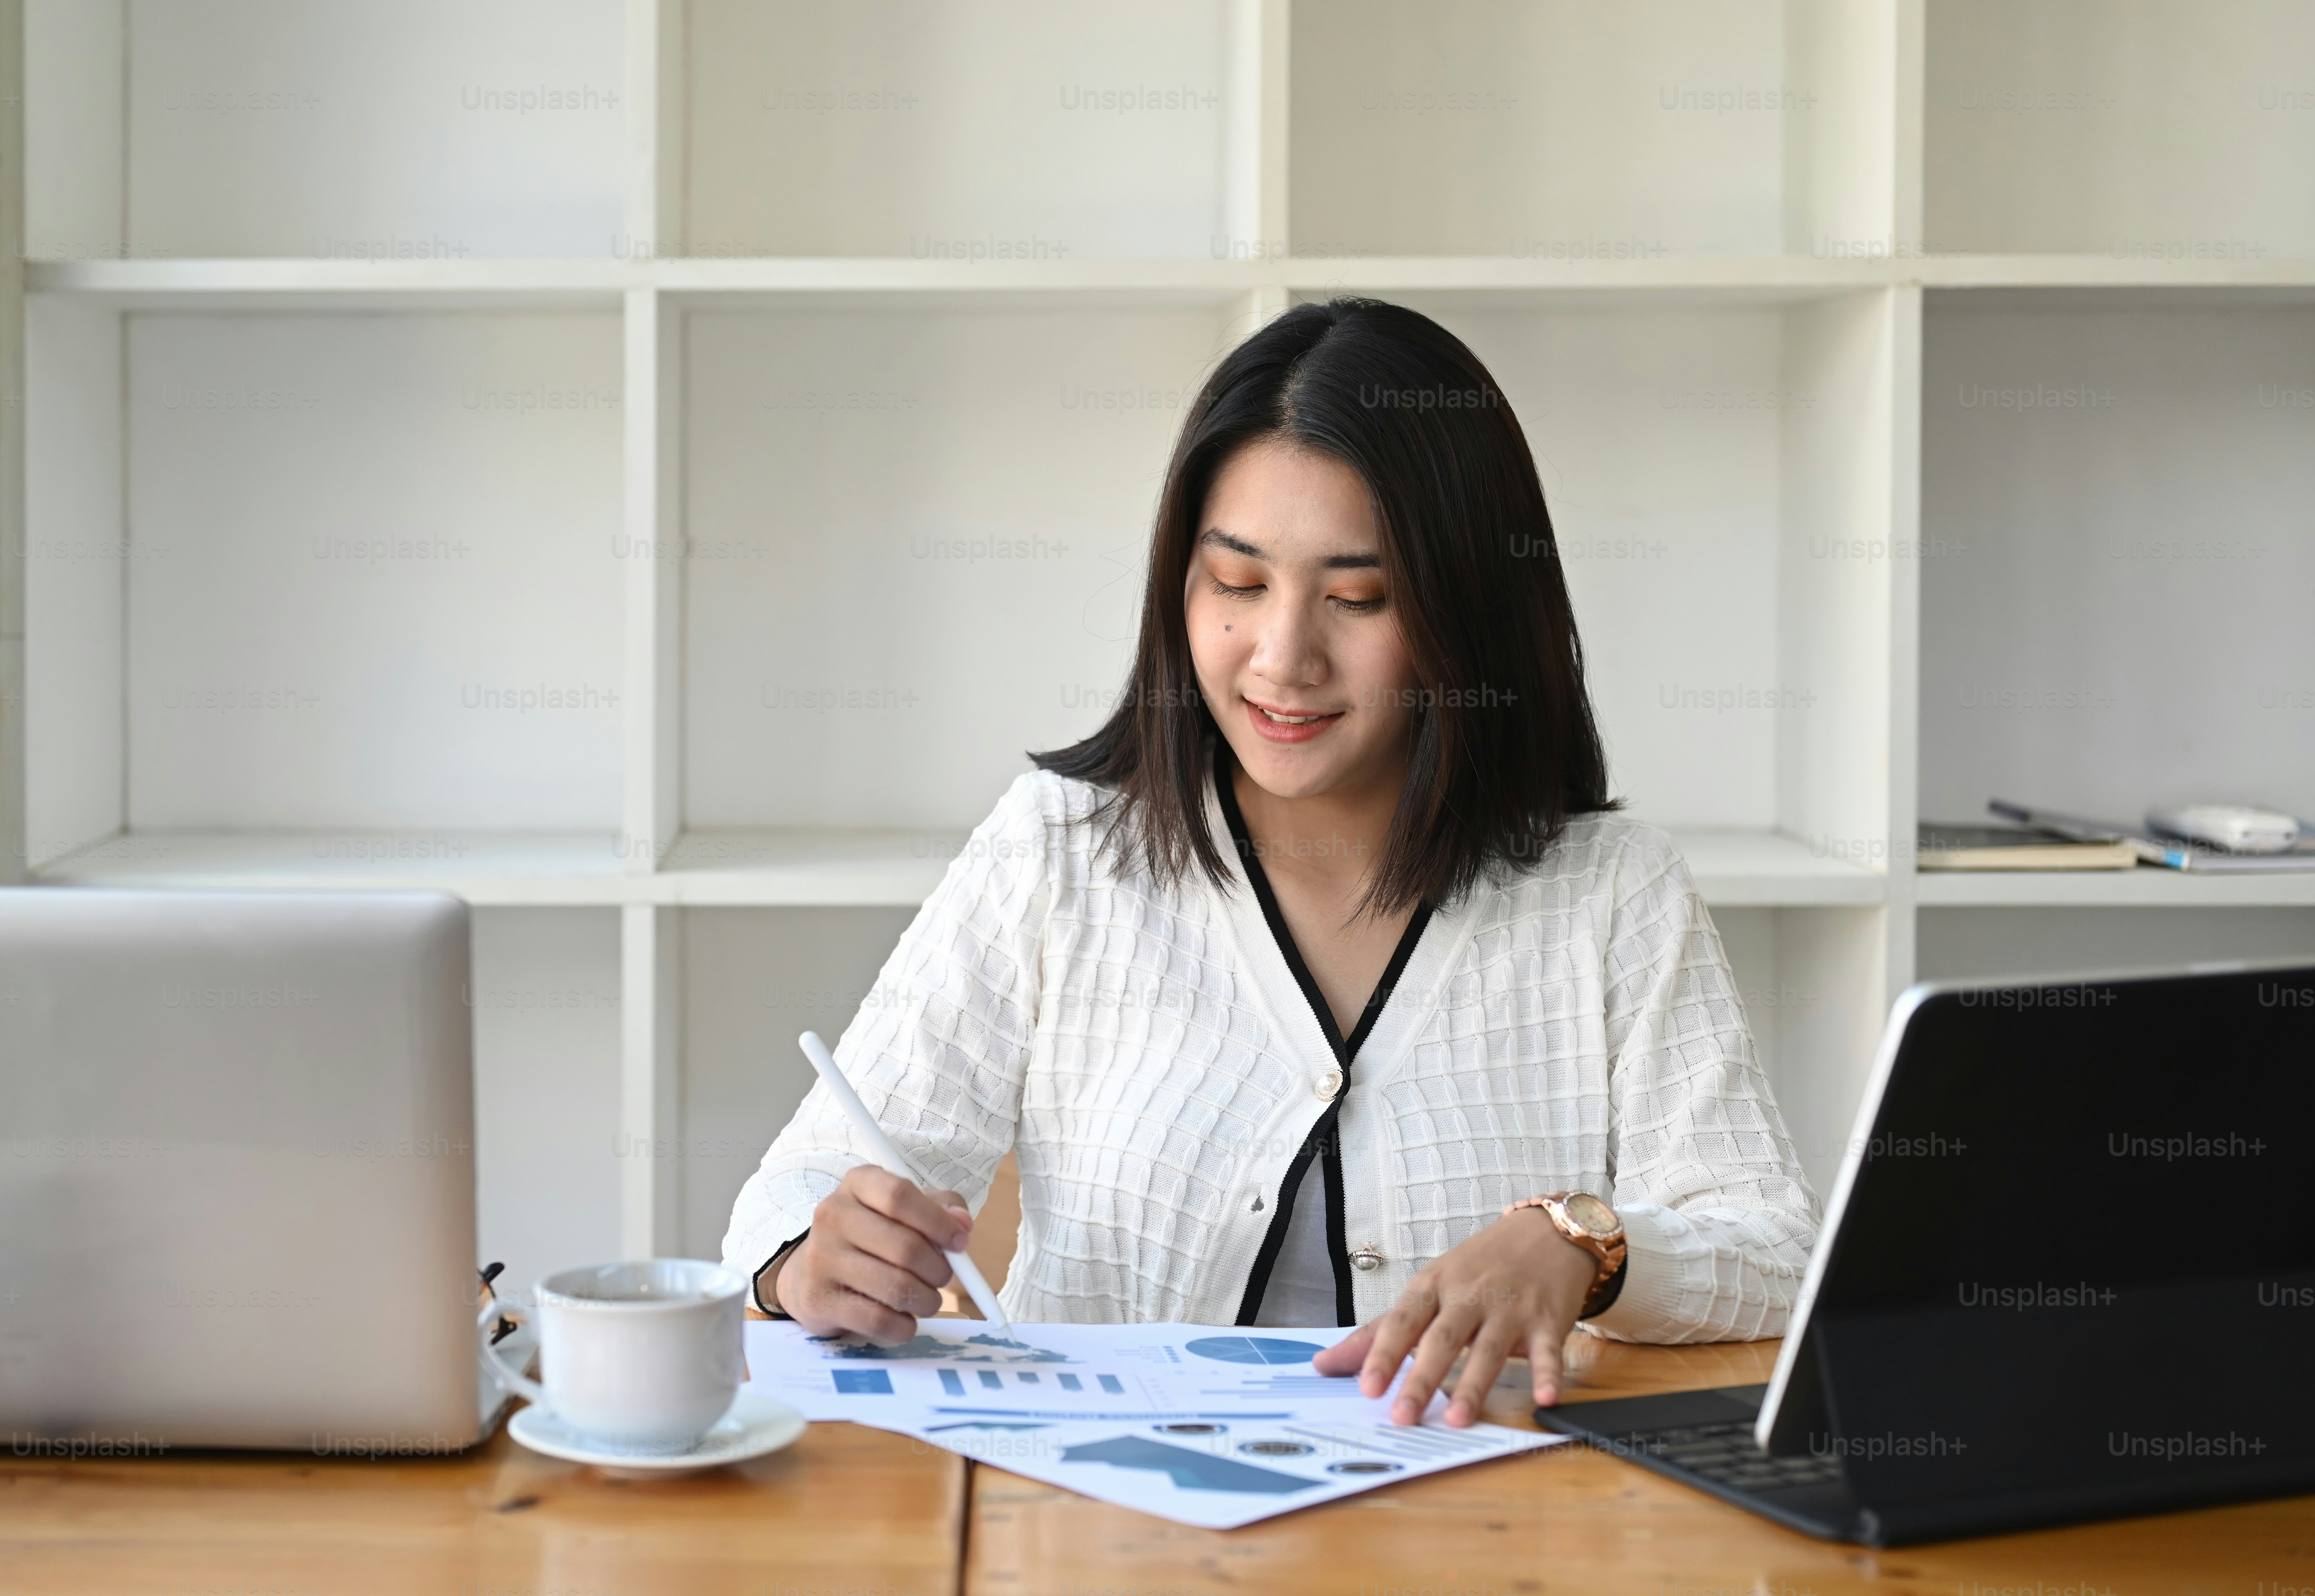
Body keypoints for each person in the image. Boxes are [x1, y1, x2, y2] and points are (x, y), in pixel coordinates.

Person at [721, 298, 1819, 1429]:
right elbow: (790, 1196)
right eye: (1238, 585)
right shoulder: (1055, 851)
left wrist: (1581, 1247)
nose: (1283, 658)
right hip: (1110, 1530)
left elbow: (1778, 1251)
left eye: (1358, 599)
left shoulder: (1611, 892)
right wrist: (811, 1259)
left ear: (1470, 614)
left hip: (1481, 1542)